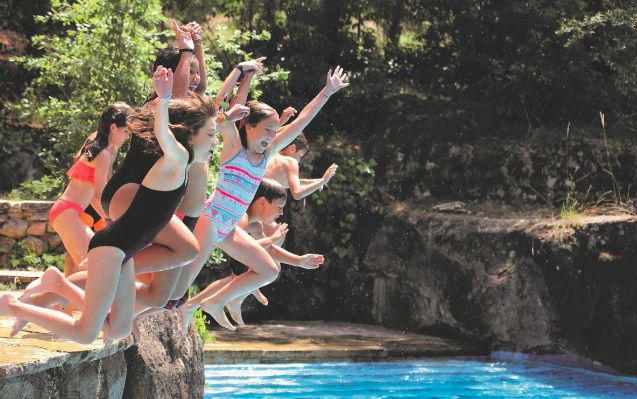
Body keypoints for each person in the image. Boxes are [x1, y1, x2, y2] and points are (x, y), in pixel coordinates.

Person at [1, 65, 216, 344]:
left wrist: (216, 109)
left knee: (118, 329)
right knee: (86, 332)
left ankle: (57, 283)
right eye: (210, 135)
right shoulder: (175, 160)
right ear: (189, 135)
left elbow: (184, 129)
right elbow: (164, 133)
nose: (214, 141)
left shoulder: (185, 164)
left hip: (123, 254)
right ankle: (11, 305)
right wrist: (163, 99)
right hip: (110, 249)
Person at [176, 66, 349, 330]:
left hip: (230, 228)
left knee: (269, 271)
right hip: (211, 221)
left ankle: (214, 303)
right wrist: (242, 75)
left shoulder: (268, 155)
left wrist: (327, 91)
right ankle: (137, 317)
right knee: (180, 285)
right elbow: (221, 111)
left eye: (275, 131)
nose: (272, 136)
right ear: (249, 125)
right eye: (268, 130)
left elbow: (302, 120)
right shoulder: (234, 146)